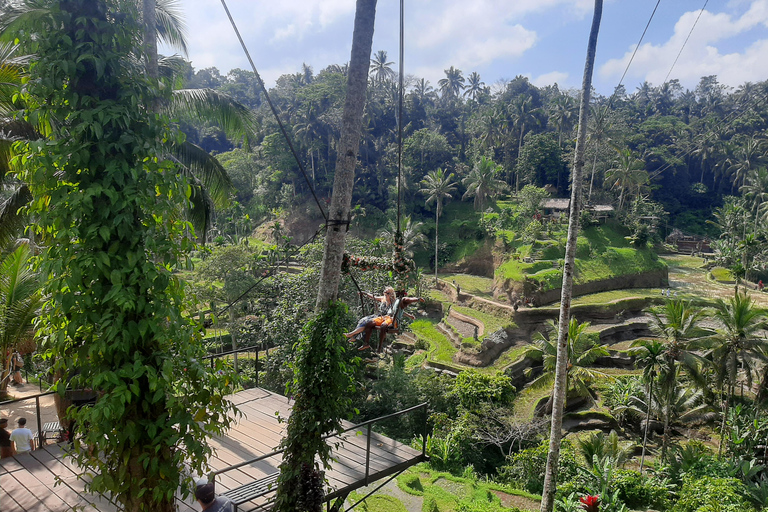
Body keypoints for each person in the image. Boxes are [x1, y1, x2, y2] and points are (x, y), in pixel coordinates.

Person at [344, 294, 425, 352]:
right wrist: (364, 293)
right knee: (369, 323)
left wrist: (417, 299)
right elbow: (374, 297)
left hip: (393, 320)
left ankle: (379, 347)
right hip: (386, 317)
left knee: (383, 326)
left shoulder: (402, 301)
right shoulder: (394, 302)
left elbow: (407, 300)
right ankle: (366, 343)